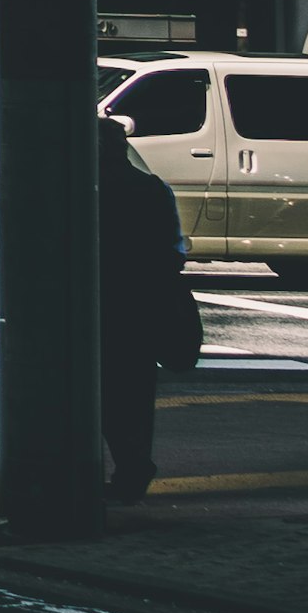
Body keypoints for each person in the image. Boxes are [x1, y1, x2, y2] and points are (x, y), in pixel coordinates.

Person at [99, 115, 197, 503]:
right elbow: (175, 250)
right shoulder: (154, 188)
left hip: (102, 301)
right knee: (136, 391)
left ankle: (124, 467)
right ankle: (134, 465)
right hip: (143, 302)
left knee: (101, 390)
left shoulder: (87, 188)